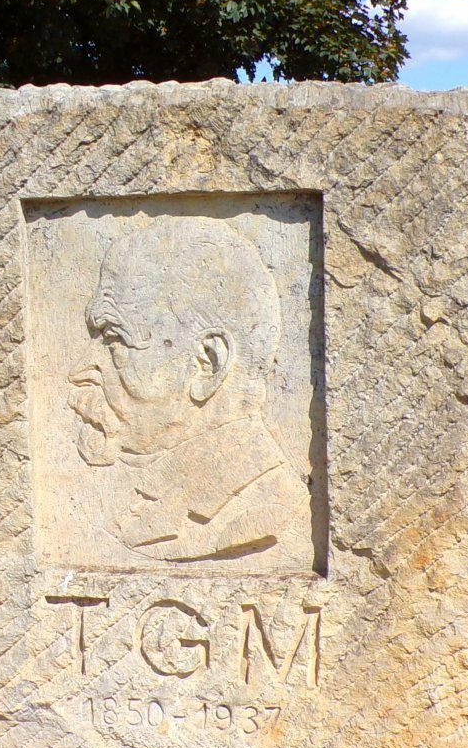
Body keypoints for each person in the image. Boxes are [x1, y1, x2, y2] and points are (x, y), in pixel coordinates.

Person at [68, 217, 313, 565]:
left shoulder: (260, 507)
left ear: (207, 364)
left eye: (114, 340)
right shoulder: (151, 495)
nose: (81, 370)